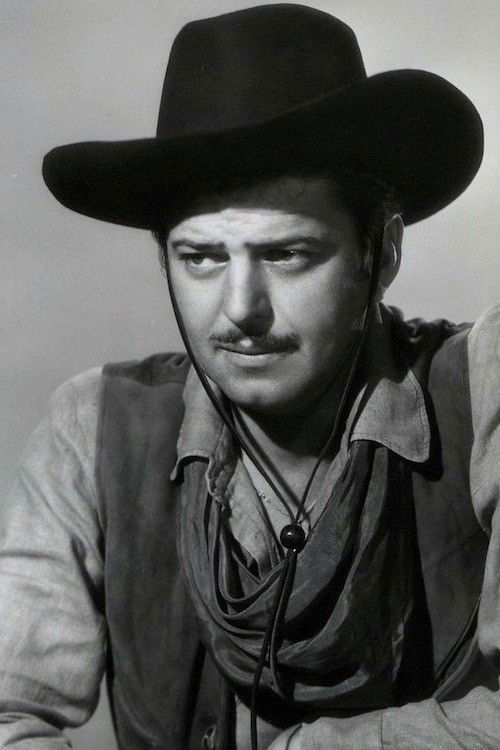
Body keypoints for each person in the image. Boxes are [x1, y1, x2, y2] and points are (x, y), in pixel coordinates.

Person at [1, 4, 499, 749]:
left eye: (288, 254)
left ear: (382, 254)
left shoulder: (484, 390)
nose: (241, 310)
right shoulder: (93, 429)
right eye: (201, 258)